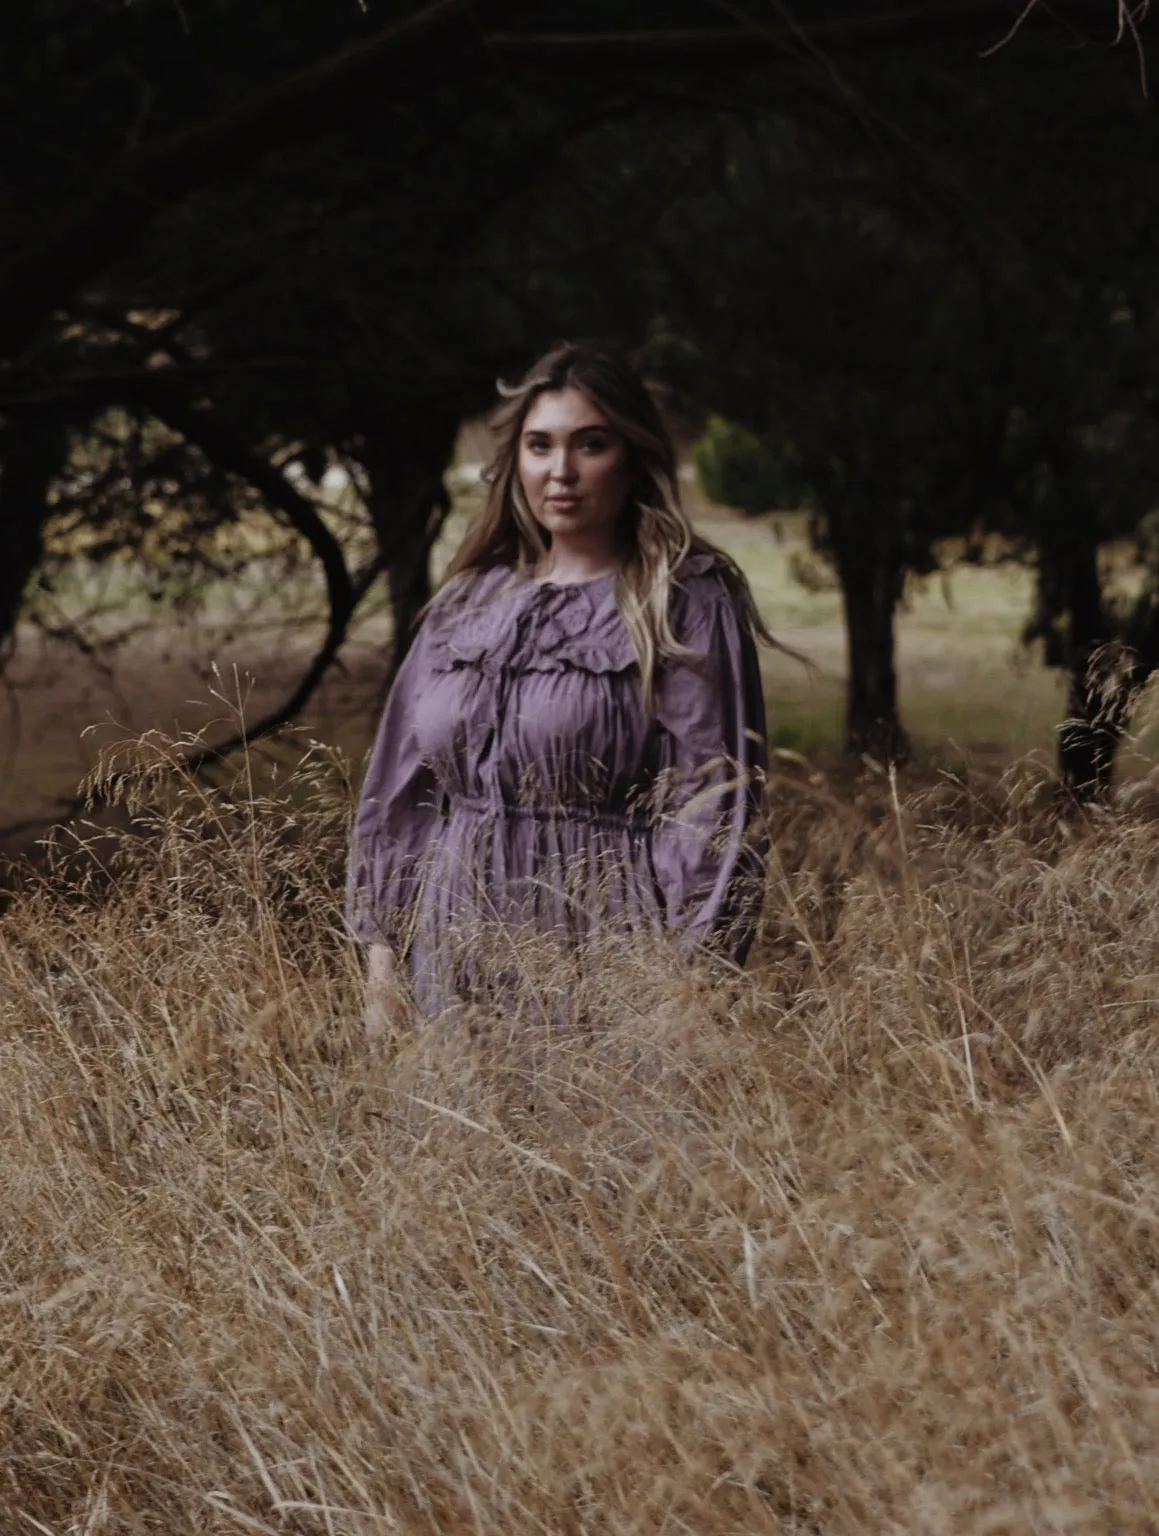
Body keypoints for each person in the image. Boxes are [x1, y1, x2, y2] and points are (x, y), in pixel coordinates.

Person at [346, 342, 772, 1034]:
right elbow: (400, 795)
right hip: (451, 959)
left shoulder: (684, 600)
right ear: (515, 460)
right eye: (539, 446)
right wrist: (383, 963)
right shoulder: (466, 604)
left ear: (631, 455)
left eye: (590, 444)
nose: (561, 472)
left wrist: (694, 982)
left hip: (611, 957)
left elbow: (715, 806)